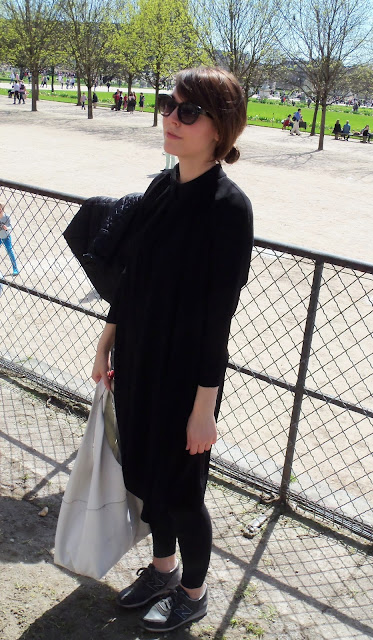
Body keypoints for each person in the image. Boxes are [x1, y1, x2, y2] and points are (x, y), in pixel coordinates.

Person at [91, 66, 253, 634]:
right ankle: (163, 570)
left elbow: (217, 318)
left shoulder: (228, 209)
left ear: (220, 127)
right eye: (168, 105)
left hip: (185, 376)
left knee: (183, 493)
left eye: (188, 111)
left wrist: (204, 407)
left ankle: (193, 592)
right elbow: (132, 278)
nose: (171, 118)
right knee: (145, 476)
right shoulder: (162, 187)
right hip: (138, 358)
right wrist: (108, 339)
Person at [0, 203, 19, 276]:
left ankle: (15, 269)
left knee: (10, 251)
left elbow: (11, 227)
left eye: (0, 209)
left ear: (2, 210)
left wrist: (6, 228)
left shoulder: (6, 217)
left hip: (6, 237)